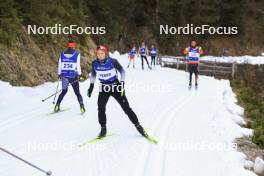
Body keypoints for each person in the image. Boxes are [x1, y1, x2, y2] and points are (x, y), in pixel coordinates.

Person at [87, 45, 148, 138]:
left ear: (106, 54)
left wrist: (122, 84)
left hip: (116, 86)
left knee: (126, 108)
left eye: (101, 53)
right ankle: (103, 129)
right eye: (98, 54)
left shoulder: (112, 61)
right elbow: (94, 74)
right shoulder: (94, 63)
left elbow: (122, 71)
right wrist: (91, 86)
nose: (99, 55)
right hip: (104, 87)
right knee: (101, 108)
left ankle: (138, 126)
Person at [54, 38, 85, 113]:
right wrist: (80, 75)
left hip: (64, 76)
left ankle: (57, 106)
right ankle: (82, 107)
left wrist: (59, 74)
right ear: (74, 46)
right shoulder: (77, 54)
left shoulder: (62, 54)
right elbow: (78, 66)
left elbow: (60, 65)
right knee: (77, 93)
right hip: (73, 76)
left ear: (68, 46)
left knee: (64, 91)